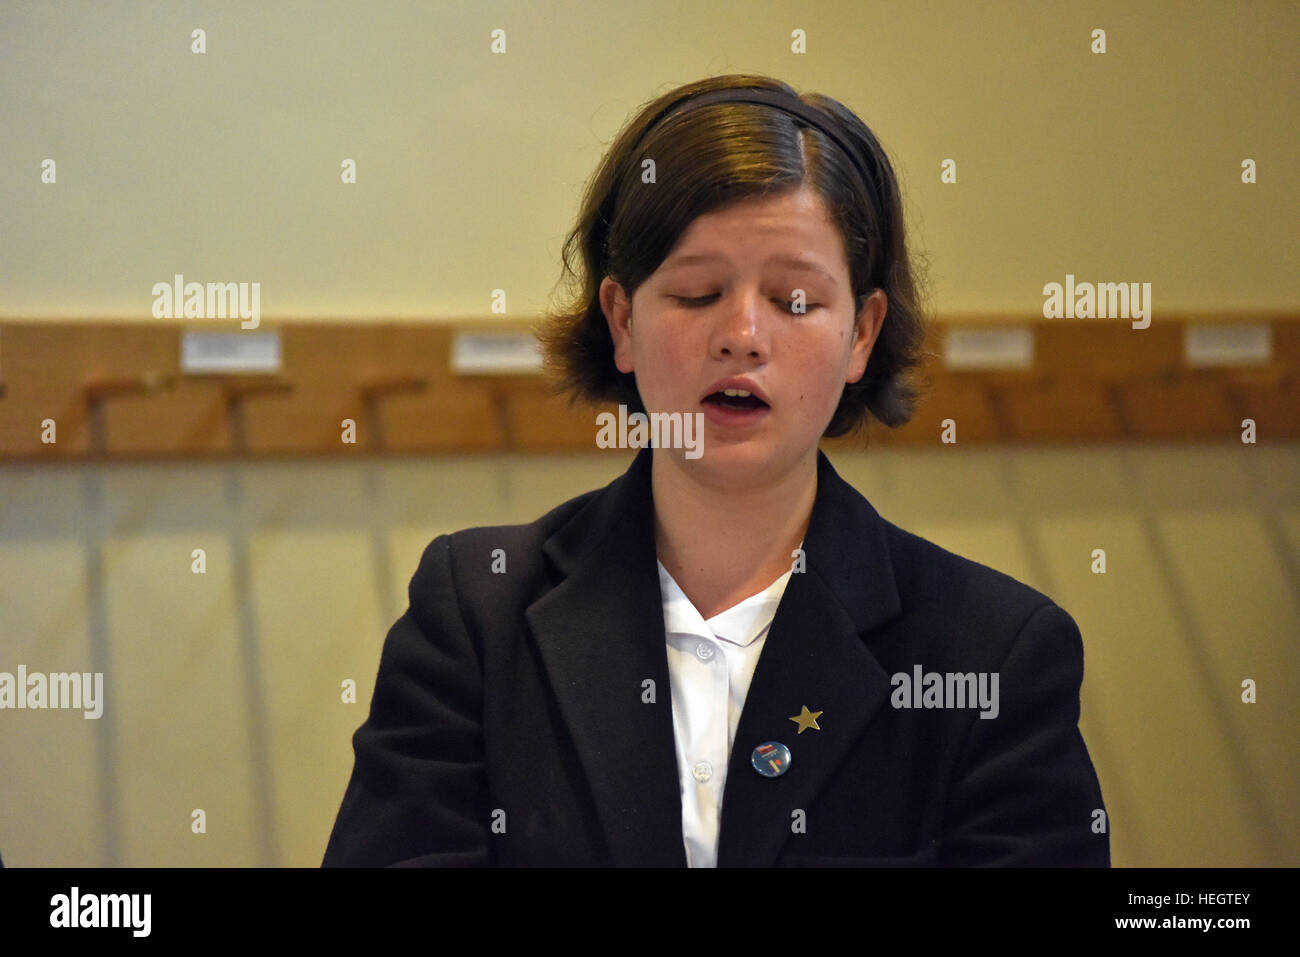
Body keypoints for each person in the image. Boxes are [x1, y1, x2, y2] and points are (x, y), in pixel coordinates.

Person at [322, 74, 1109, 867]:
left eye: (794, 299)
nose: (742, 334)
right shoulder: (475, 611)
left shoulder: (992, 651)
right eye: (698, 293)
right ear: (622, 322)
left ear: (863, 335)